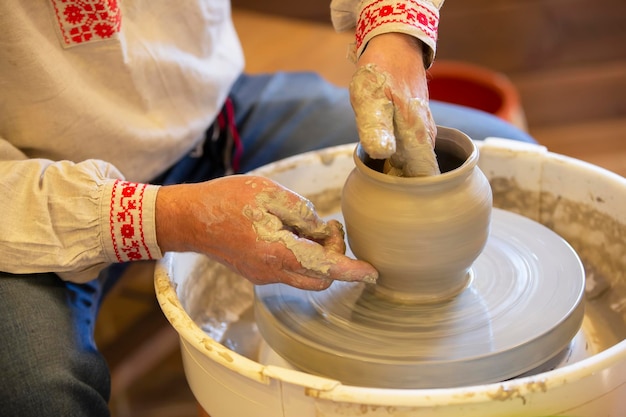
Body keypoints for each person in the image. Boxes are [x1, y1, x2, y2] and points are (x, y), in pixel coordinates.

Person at [0, 0, 535, 415]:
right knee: (34, 396)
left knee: (513, 157)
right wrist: (172, 216)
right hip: (33, 184)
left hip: (212, 112)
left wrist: (394, 29)